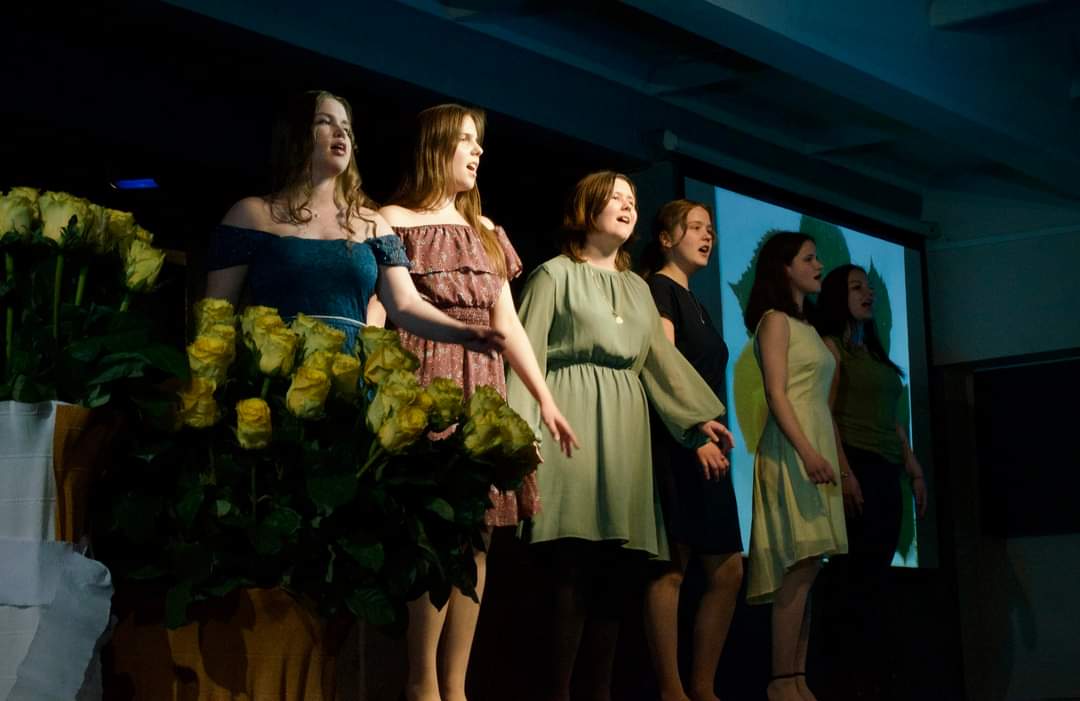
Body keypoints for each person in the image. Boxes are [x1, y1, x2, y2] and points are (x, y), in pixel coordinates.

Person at [507, 172, 732, 701]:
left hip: (625, 427)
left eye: (632, 199)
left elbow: (659, 360)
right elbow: (525, 356)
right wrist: (520, 436)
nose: (628, 207)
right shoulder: (554, 275)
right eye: (616, 198)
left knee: (616, 573)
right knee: (572, 568)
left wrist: (695, 417)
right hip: (572, 422)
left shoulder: (636, 287)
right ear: (588, 208)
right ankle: (558, 693)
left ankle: (600, 692)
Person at [379, 103, 578, 701]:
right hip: (425, 380)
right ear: (436, 147)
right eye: (466, 139)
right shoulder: (391, 220)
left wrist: (544, 399)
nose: (478, 150)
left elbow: (508, 324)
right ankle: (421, 682)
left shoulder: (486, 231)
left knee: (477, 533)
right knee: (433, 529)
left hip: (483, 387)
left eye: (479, 141)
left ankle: (456, 685)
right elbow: (385, 310)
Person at [205, 90, 503, 357]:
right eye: (325, 122)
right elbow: (216, 315)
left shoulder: (371, 223)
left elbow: (406, 305)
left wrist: (460, 332)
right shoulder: (252, 214)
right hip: (273, 376)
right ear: (297, 135)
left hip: (345, 380)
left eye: (347, 129)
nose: (340, 133)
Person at [639, 200, 743, 701]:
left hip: (708, 445)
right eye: (696, 227)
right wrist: (693, 433)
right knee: (673, 566)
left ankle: (704, 688)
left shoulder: (694, 299)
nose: (708, 237)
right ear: (666, 238)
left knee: (729, 568)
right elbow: (664, 366)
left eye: (711, 229)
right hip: (679, 442)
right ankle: (673, 690)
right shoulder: (660, 290)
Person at [811, 264, 927, 699]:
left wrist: (913, 467)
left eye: (869, 286)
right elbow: (825, 413)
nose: (868, 293)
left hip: (886, 469)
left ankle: (870, 677)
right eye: (856, 287)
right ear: (837, 296)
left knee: (876, 576)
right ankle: (844, 677)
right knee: (853, 576)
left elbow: (892, 418)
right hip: (856, 464)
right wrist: (844, 473)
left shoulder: (874, 353)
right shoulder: (831, 347)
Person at [743, 231, 845, 701]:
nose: (818, 265)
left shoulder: (807, 326)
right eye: (809, 258)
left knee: (809, 568)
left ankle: (797, 678)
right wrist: (807, 452)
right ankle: (780, 681)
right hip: (793, 448)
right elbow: (776, 392)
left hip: (814, 445)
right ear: (784, 268)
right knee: (797, 566)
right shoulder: (775, 321)